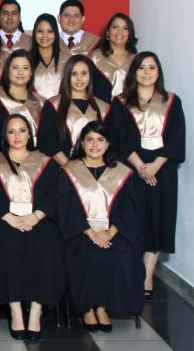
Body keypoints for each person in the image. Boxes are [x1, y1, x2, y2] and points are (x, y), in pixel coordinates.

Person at [0, 114, 64, 340]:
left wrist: (36, 216)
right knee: (8, 244)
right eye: (11, 131)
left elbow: (54, 194)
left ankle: (36, 310)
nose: (17, 136)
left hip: (39, 219)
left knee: (47, 245)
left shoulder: (45, 162)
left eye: (22, 130)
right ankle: (15, 310)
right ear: (4, 136)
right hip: (4, 219)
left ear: (29, 134)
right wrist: (9, 217)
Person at [111, 52, 185, 299]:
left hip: (163, 171)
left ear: (158, 72)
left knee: (158, 220)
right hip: (131, 168)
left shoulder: (172, 101)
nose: (146, 72)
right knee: (134, 218)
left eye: (152, 68)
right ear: (134, 72)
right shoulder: (121, 102)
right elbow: (118, 137)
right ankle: (130, 272)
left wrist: (156, 166)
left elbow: (176, 138)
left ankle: (147, 276)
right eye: (141, 67)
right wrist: (142, 167)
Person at [58, 121, 144, 330]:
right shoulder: (68, 171)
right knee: (87, 254)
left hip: (113, 232)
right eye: (89, 140)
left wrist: (110, 232)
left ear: (108, 144)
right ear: (82, 143)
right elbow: (66, 207)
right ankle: (87, 308)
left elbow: (129, 209)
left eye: (100, 140)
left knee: (120, 255)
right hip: (80, 231)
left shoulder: (123, 172)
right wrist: (90, 232)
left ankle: (103, 307)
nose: (94, 145)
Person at [38, 55, 112, 166]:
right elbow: (47, 141)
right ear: (67, 76)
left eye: (84, 73)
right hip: (61, 168)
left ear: (90, 75)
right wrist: (70, 168)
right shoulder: (53, 105)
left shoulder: (104, 108)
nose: (79, 79)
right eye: (74, 74)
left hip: (96, 169)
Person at [0, 49, 44, 153]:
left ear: (31, 72)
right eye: (15, 67)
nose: (20, 72)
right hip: (4, 158)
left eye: (25, 68)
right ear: (8, 71)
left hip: (38, 158)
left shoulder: (41, 102)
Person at [91, 12, 138, 100]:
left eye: (125, 28)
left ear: (130, 33)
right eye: (115, 27)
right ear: (108, 32)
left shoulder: (136, 59)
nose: (120, 32)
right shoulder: (95, 56)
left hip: (129, 107)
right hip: (101, 106)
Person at [30, 13, 71, 100]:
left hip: (61, 106)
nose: (44, 36)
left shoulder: (67, 58)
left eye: (50, 31)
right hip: (32, 107)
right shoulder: (26, 59)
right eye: (40, 31)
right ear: (34, 33)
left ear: (56, 33)